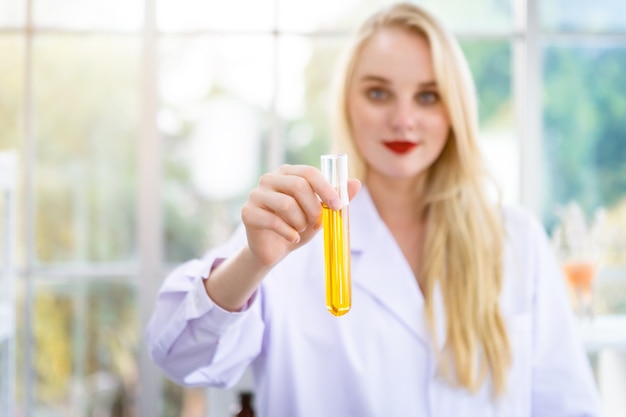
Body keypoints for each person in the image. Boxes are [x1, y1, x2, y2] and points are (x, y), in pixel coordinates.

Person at [146, 3, 600, 416]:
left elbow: (566, 404)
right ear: (347, 103)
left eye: (427, 95)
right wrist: (251, 261)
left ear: (454, 109)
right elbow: (179, 355)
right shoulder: (291, 238)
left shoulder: (515, 239)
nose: (403, 119)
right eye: (379, 93)